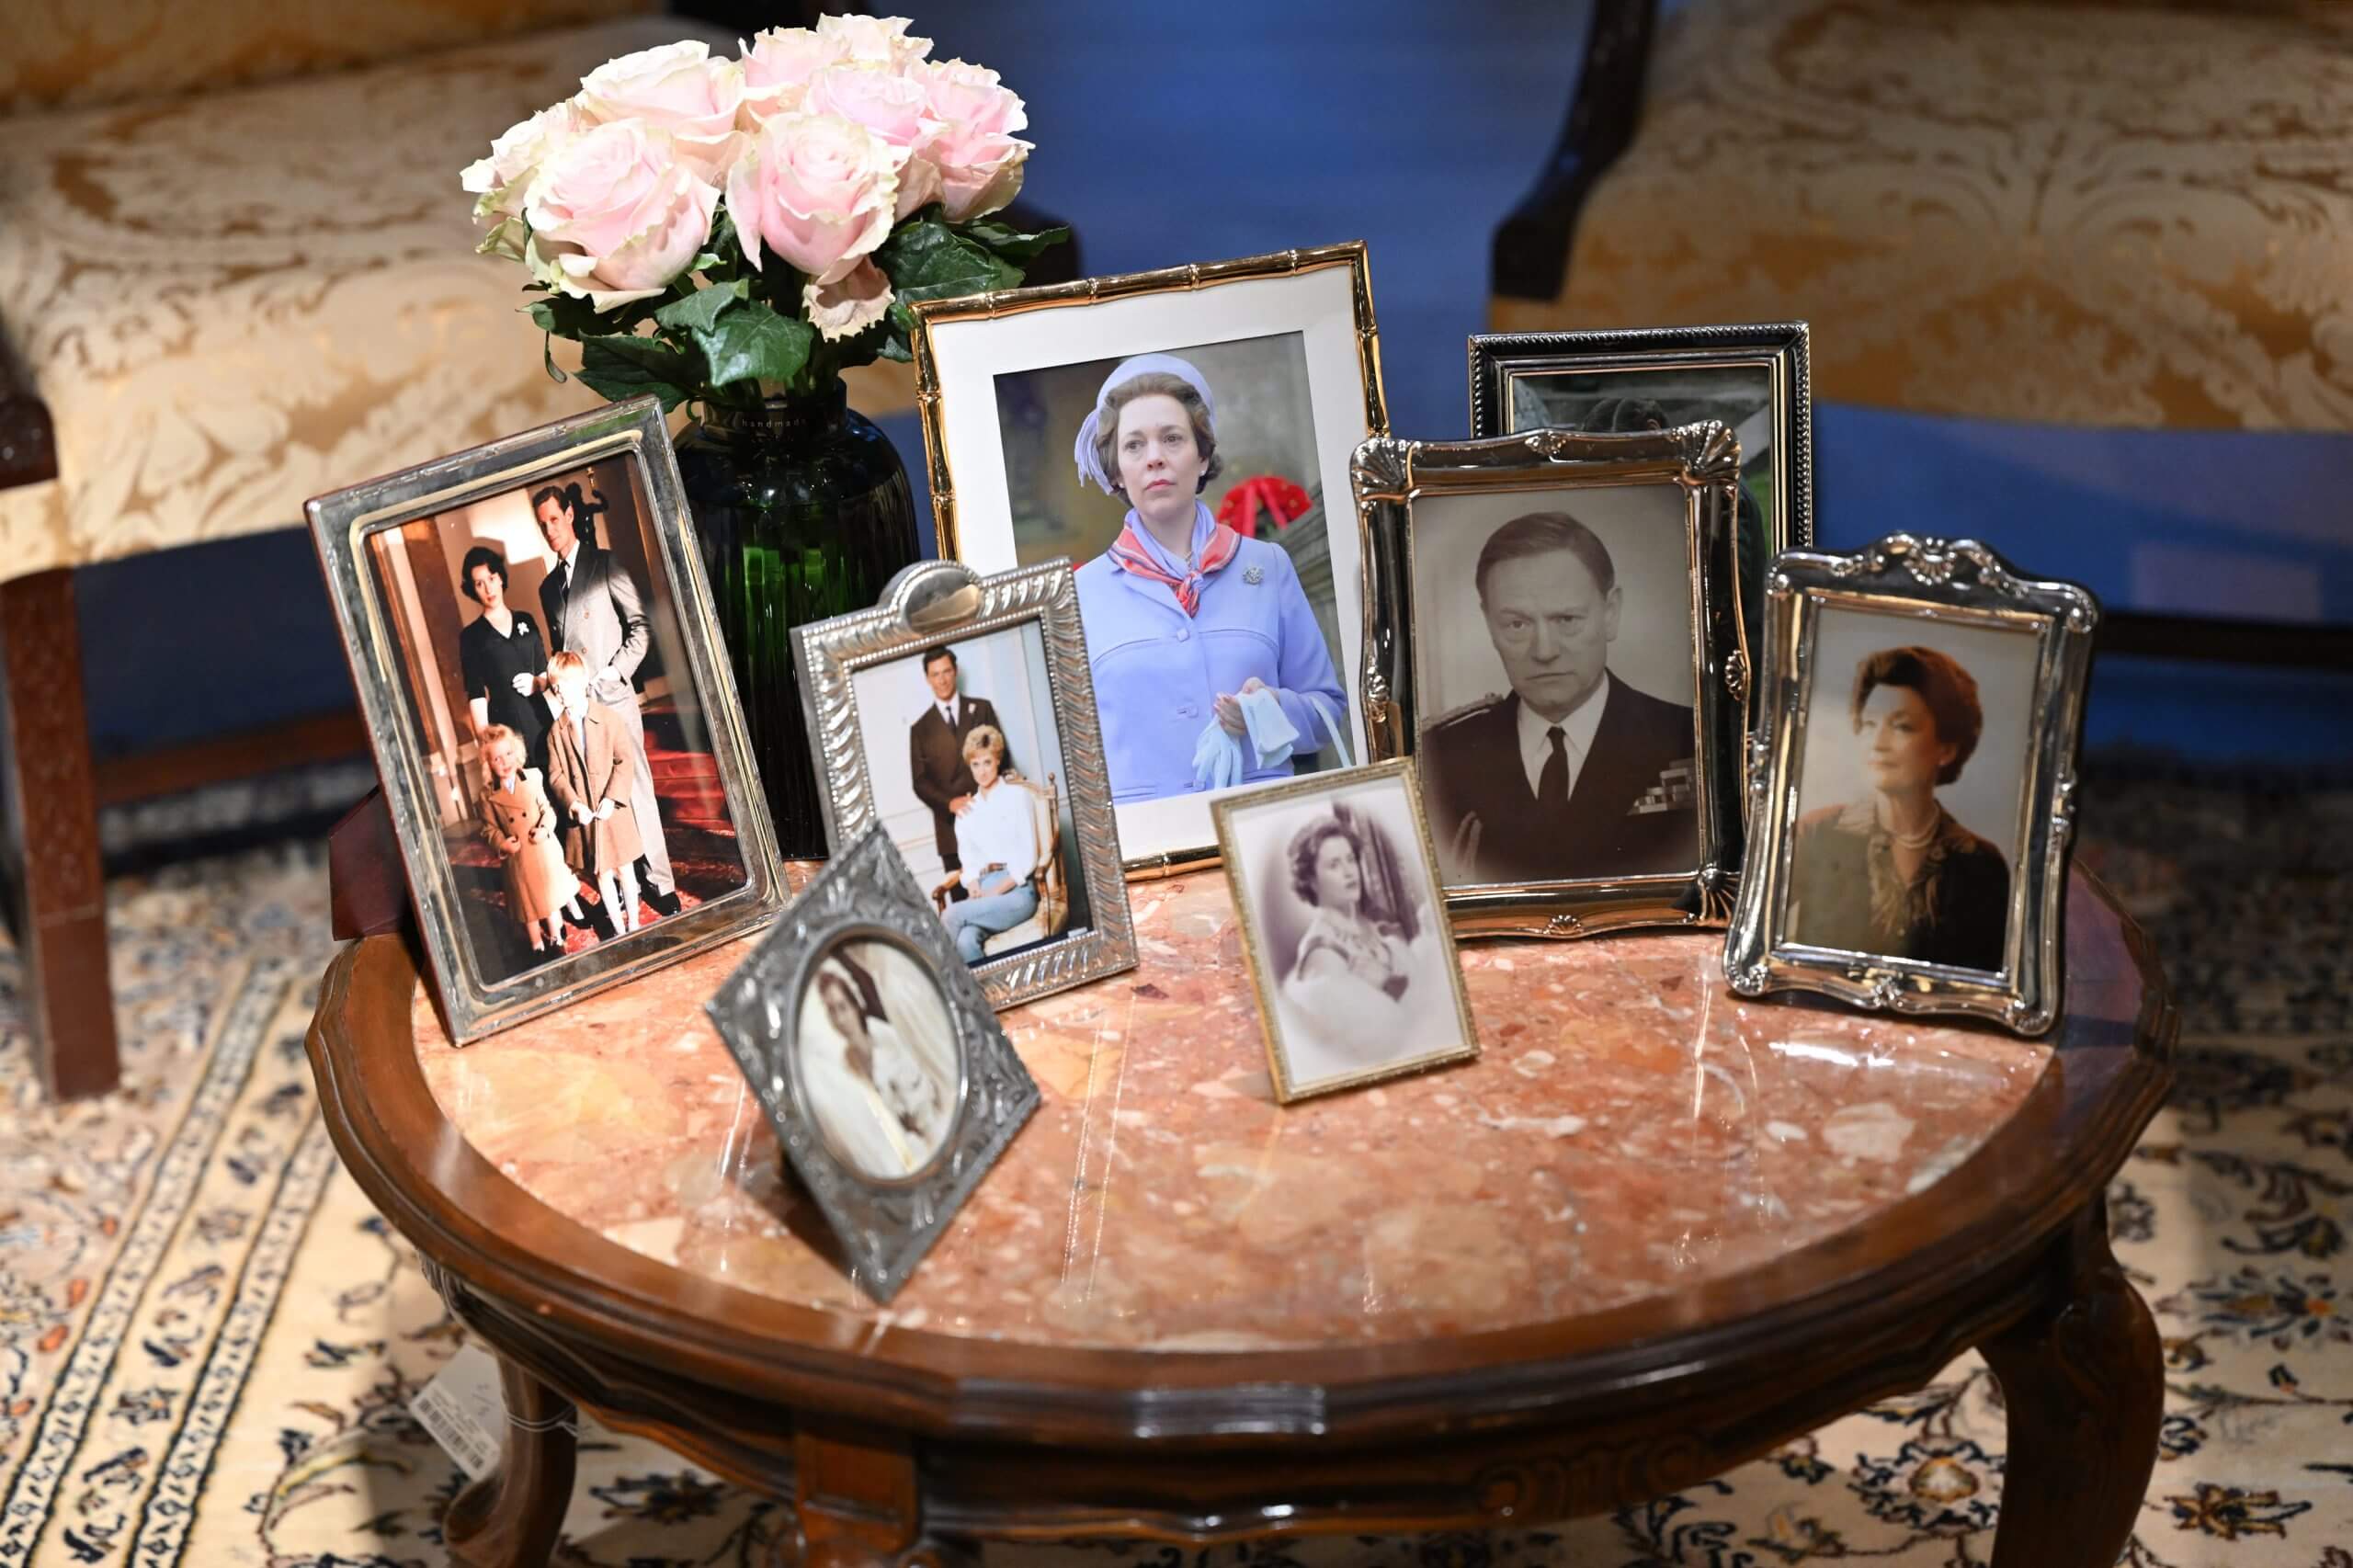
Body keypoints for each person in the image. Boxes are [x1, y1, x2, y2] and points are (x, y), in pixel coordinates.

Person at [1068, 354, 1347, 803]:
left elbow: (1327, 711)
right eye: (1134, 445)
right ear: (1117, 471)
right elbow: (1071, 756)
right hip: (1146, 849)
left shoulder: (1268, 565)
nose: (1155, 458)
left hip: (1261, 836)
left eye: (1173, 439)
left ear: (1202, 457)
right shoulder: (1082, 593)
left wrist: (1270, 712)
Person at [1418, 511, 1698, 886]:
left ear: (1610, 613)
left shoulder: (1689, 741)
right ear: (1489, 624)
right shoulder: (1439, 758)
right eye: (1517, 624)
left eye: (1567, 620)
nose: (1544, 651)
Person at [1786, 645, 2010, 971]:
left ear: (1946, 748)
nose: (1878, 742)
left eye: (1902, 726)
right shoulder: (1814, 833)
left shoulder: (1982, 866)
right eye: (1870, 723)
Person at [531, 481, 679, 918]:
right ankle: (621, 874)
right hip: (578, 708)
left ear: (571, 515)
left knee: (635, 789)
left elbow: (640, 627)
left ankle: (661, 881)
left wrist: (615, 671)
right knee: (595, 792)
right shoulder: (546, 589)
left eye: (555, 520)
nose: (550, 530)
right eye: (543, 525)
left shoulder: (605, 564)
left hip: (612, 698)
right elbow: (560, 650)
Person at [1272, 811, 1446, 1085]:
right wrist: (1393, 987)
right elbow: (1370, 1047)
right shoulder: (1322, 955)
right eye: (1334, 865)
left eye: (1350, 859)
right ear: (1311, 880)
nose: (1349, 872)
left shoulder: (1373, 926)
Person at [798, 956, 952, 1178]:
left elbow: (921, 1104)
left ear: (856, 1004)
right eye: (832, 1010)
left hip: (927, 1126)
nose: (840, 1019)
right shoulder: (847, 1061)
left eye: (843, 1007)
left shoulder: (885, 1038)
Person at [544, 650, 645, 937]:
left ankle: (635, 924)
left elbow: (624, 759)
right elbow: (556, 775)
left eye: (565, 685)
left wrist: (613, 798)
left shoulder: (608, 718)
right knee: (602, 873)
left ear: (583, 682)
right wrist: (573, 804)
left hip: (612, 811)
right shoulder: (556, 732)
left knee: (626, 868)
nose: (560, 692)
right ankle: (618, 929)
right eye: (555, 688)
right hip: (586, 816)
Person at [906, 644, 1011, 896]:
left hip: (993, 818)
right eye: (935, 674)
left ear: (955, 672)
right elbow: (920, 782)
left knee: (1002, 891)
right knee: (965, 900)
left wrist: (990, 796)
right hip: (951, 831)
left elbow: (1002, 756)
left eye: (947, 672)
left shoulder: (982, 709)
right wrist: (949, 803)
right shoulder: (920, 729)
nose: (942, 680)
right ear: (927, 678)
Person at [938, 725, 1043, 963]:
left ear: (997, 760)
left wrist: (993, 892)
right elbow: (969, 860)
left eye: (987, 762)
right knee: (965, 940)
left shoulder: (1018, 797)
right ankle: (987, 998)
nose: (982, 771)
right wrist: (974, 884)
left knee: (950, 914)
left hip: (1017, 891)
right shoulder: (967, 810)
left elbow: (1028, 857)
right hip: (985, 888)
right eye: (976, 765)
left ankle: (938, 988)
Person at [473, 724, 581, 955]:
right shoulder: (487, 796)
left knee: (549, 902)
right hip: (517, 858)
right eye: (497, 759)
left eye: (509, 754)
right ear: (488, 764)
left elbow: (548, 810)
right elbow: (488, 829)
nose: (505, 762)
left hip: (541, 850)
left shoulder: (533, 778)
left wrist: (544, 828)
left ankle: (556, 939)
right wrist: (501, 842)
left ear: (518, 752)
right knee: (527, 908)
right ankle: (536, 946)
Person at [458, 546, 553, 777]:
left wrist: (537, 684)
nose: (488, 588)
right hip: (506, 729)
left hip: (540, 719)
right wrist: (488, 748)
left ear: (501, 577)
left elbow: (544, 672)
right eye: (479, 583)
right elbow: (477, 695)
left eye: (491, 578)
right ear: (473, 589)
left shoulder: (526, 621)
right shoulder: (471, 636)